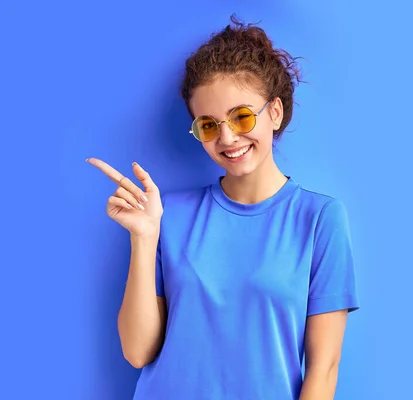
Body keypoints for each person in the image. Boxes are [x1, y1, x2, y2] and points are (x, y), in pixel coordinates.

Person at [87, 14, 360, 400]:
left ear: (276, 112)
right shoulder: (168, 215)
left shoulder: (319, 219)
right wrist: (144, 237)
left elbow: (324, 368)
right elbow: (137, 352)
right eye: (208, 125)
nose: (227, 137)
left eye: (242, 116)